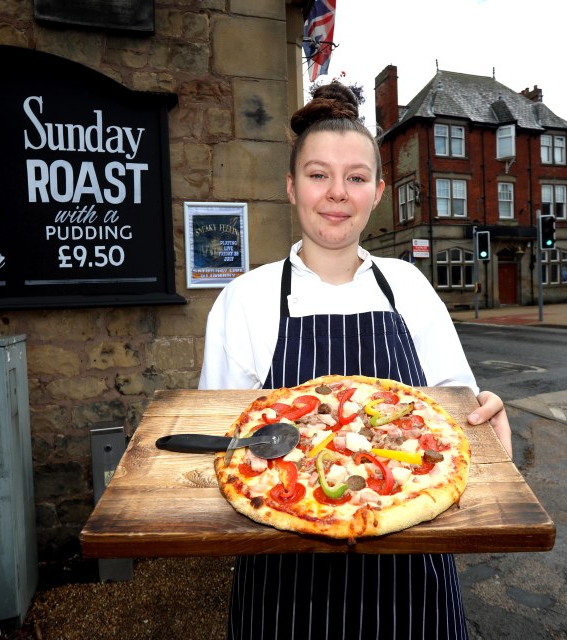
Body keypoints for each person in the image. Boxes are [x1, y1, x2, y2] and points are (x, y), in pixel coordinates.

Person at [199, 81, 511, 640]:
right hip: (283, 594)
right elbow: (231, 447)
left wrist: (489, 416)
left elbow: (460, 420)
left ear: (378, 191)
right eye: (318, 175)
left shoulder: (410, 287)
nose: (337, 192)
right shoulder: (244, 299)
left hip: (414, 591)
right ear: (291, 188)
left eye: (356, 177)